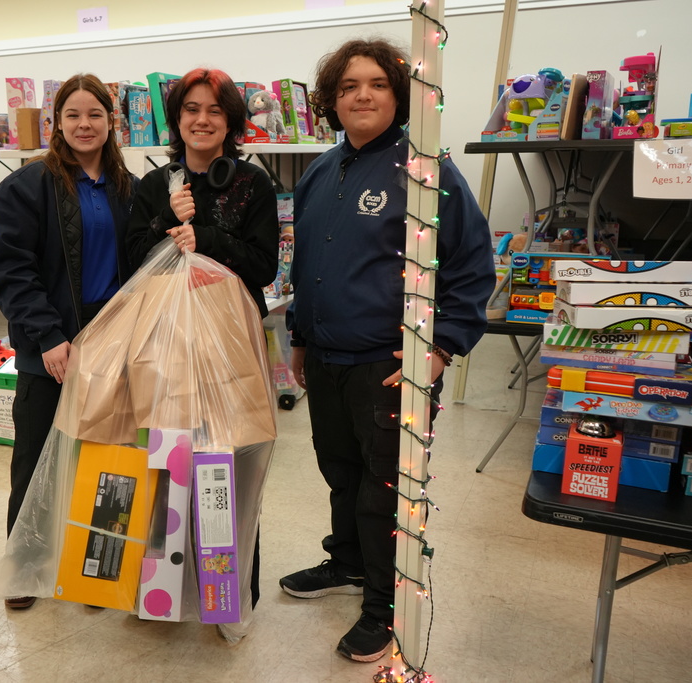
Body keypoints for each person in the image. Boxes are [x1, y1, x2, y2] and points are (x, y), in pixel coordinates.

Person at [280, 38, 495, 662]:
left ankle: (385, 606)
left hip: (388, 365)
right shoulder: (323, 169)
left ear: (399, 95)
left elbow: (472, 266)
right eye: (348, 87)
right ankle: (345, 563)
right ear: (332, 99)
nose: (361, 95)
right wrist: (299, 333)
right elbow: (309, 263)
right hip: (324, 359)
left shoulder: (426, 169)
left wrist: (442, 348)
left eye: (375, 83)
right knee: (339, 473)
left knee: (385, 492)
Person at [125, 67, 280, 609]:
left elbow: (264, 267)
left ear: (231, 121)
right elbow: (131, 264)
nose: (202, 119)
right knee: (166, 461)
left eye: (215, 110)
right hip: (165, 344)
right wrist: (166, 218)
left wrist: (206, 237)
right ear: (177, 119)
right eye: (191, 109)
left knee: (229, 464)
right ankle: (161, 589)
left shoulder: (254, 184)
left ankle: (228, 591)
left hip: (231, 346)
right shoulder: (152, 185)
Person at [0, 73, 139, 611]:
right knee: (36, 461)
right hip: (48, 346)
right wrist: (48, 336)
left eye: (94, 114)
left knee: (108, 461)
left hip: (112, 346)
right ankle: (25, 570)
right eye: (72, 115)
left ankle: (97, 570)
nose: (84, 124)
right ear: (56, 123)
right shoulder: (28, 186)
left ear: (110, 121)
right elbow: (10, 269)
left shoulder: (127, 187)